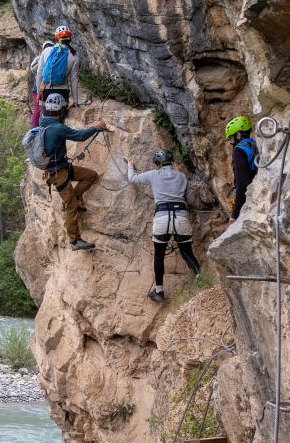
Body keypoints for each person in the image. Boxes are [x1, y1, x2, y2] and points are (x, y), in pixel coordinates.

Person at [126, 149, 201, 301]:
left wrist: (130, 165)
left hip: (162, 218)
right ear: (171, 161)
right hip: (180, 217)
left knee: (159, 255)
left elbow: (132, 178)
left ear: (158, 164)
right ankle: (201, 281)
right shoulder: (181, 176)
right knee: (187, 253)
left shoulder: (153, 174)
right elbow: (189, 197)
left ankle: (159, 291)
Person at [39, 92, 109, 250]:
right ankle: (75, 240)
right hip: (58, 173)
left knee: (91, 176)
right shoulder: (57, 128)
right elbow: (80, 136)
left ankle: (75, 198)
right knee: (70, 206)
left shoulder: (43, 122)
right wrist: (95, 127)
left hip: (61, 167)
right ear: (60, 110)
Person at [30, 25, 81, 126]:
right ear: (70, 39)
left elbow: (39, 73)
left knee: (43, 119)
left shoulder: (46, 51)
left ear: (56, 38)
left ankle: (41, 138)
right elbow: (74, 79)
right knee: (59, 121)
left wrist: (40, 91)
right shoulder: (74, 55)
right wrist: (75, 101)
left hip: (45, 90)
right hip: (62, 91)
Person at [225, 115, 259, 221]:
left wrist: (235, 214)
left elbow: (242, 183)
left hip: (249, 198)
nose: (231, 142)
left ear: (238, 135)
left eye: (231, 138)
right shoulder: (254, 145)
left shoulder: (239, 151)